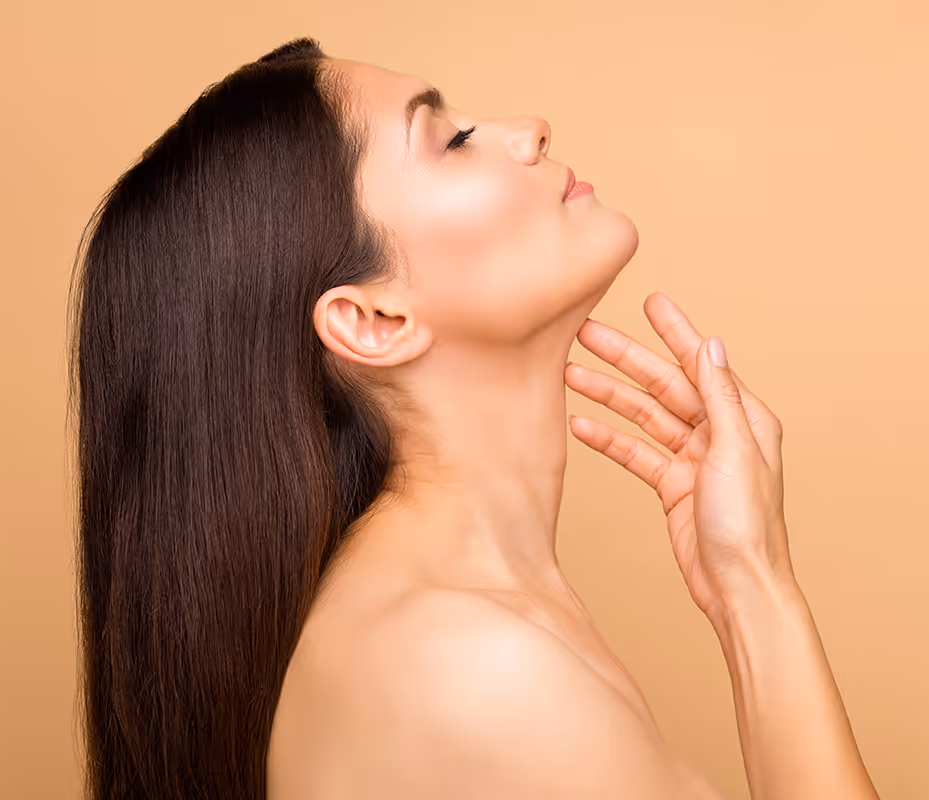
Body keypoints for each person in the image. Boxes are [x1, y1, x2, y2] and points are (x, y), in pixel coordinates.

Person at [68, 36, 879, 800]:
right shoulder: (468, 665)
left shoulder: (444, 626)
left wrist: (748, 578)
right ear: (373, 321)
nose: (530, 131)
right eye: (450, 140)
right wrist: (759, 592)